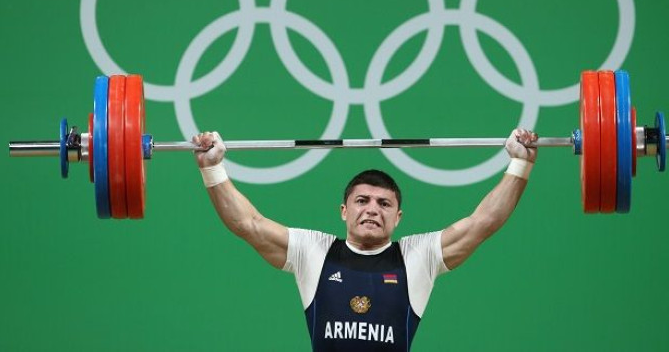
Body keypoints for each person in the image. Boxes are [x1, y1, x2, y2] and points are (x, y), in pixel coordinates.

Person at [192, 129, 538, 351]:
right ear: (344, 210)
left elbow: (482, 223)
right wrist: (212, 168)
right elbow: (248, 224)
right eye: (362, 201)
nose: (373, 210)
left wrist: (519, 166)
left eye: (384, 204)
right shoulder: (315, 251)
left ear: (398, 217)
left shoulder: (417, 257)